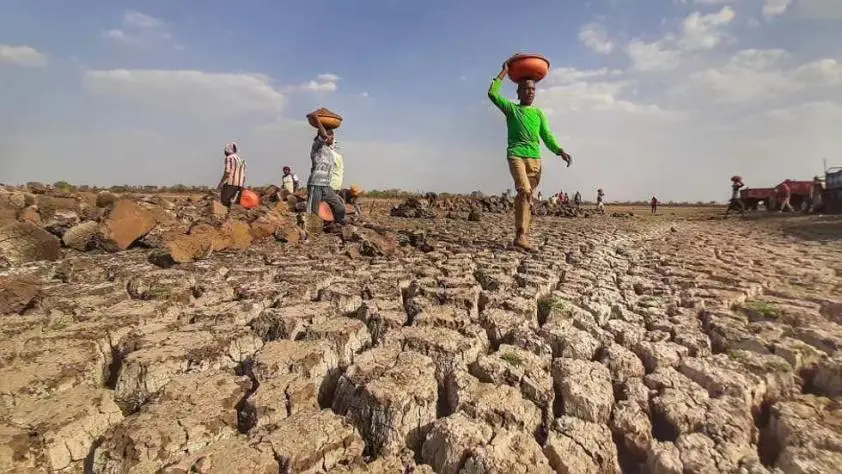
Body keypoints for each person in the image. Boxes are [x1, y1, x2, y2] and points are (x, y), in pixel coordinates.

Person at [488, 61, 573, 252]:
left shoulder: (538, 113)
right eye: (526, 89)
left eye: (533, 89)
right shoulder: (512, 110)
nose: (530, 92)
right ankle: (521, 236)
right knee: (524, 191)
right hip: (516, 155)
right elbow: (492, 94)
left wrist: (559, 151)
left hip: (535, 160)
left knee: (526, 197)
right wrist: (504, 71)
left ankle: (521, 236)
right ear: (518, 93)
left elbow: (547, 135)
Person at [304, 112, 346, 225]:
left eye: (333, 135)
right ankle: (310, 233)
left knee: (340, 207)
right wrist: (317, 119)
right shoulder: (317, 146)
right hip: (316, 184)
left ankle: (336, 224)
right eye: (330, 134)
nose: (332, 137)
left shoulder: (329, 151)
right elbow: (322, 135)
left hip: (326, 186)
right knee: (313, 212)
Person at [217, 142, 246, 208]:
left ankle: (226, 216)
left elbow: (227, 172)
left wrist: (221, 183)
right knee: (236, 203)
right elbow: (244, 176)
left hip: (231, 184)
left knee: (224, 201)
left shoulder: (229, 158)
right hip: (240, 184)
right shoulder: (242, 160)